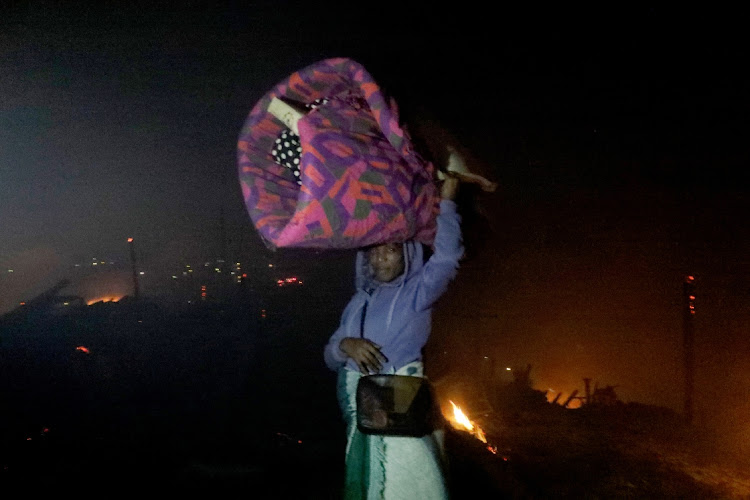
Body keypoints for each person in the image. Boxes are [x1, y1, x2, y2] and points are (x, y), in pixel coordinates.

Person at [324, 175, 463, 499]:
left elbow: (446, 259)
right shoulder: (358, 302)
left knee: (407, 486)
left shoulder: (417, 293)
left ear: (407, 254)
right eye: (373, 251)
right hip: (361, 417)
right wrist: (346, 345)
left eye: (391, 249)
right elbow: (329, 355)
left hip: (399, 415)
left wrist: (448, 202)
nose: (381, 257)